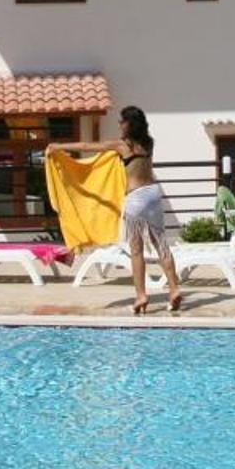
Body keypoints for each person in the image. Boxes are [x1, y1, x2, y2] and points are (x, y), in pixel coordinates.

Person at [58, 107, 183, 314]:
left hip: (136, 199)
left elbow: (87, 146)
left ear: (129, 124)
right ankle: (174, 289)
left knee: (136, 250)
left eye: (121, 121)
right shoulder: (149, 143)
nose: (119, 124)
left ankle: (141, 296)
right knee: (161, 245)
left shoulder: (122, 145)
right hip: (153, 194)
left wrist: (58, 146)